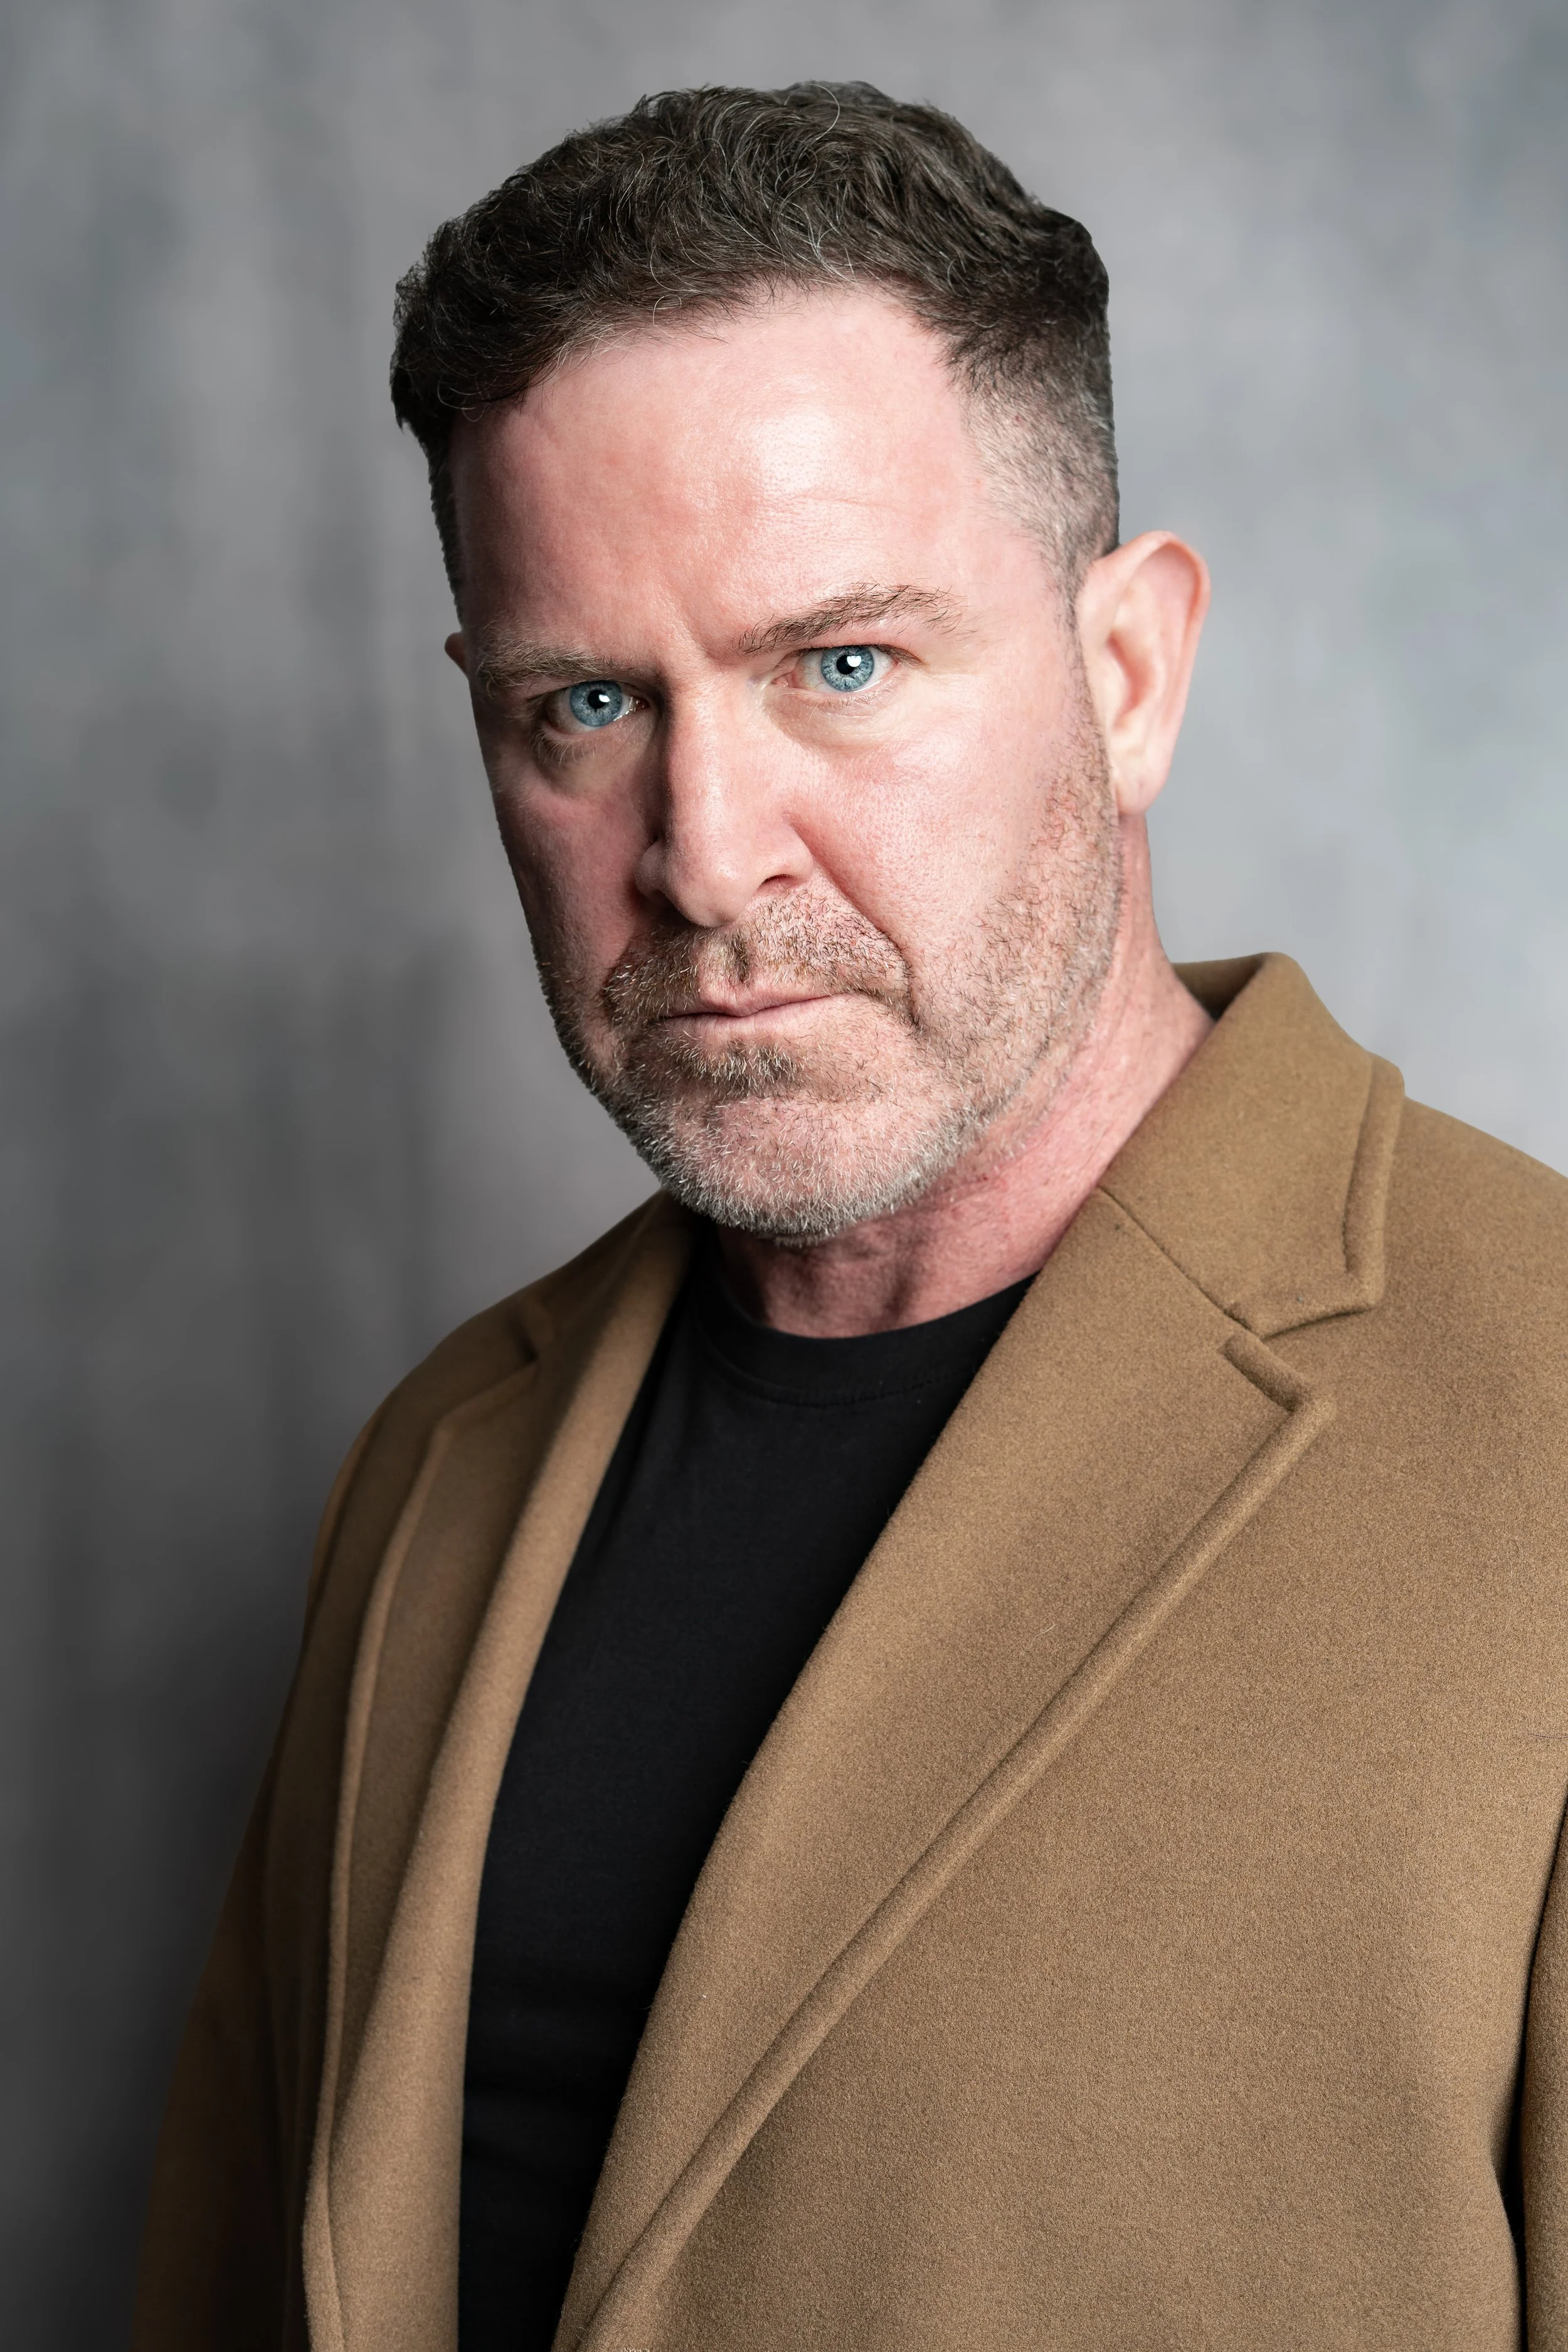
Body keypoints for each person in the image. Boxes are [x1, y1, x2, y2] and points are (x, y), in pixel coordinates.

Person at [133, 82, 1568, 2352]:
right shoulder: (433, 1476)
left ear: (1126, 675)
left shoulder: (1545, 1426)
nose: (706, 851)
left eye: (840, 664)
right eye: (585, 703)